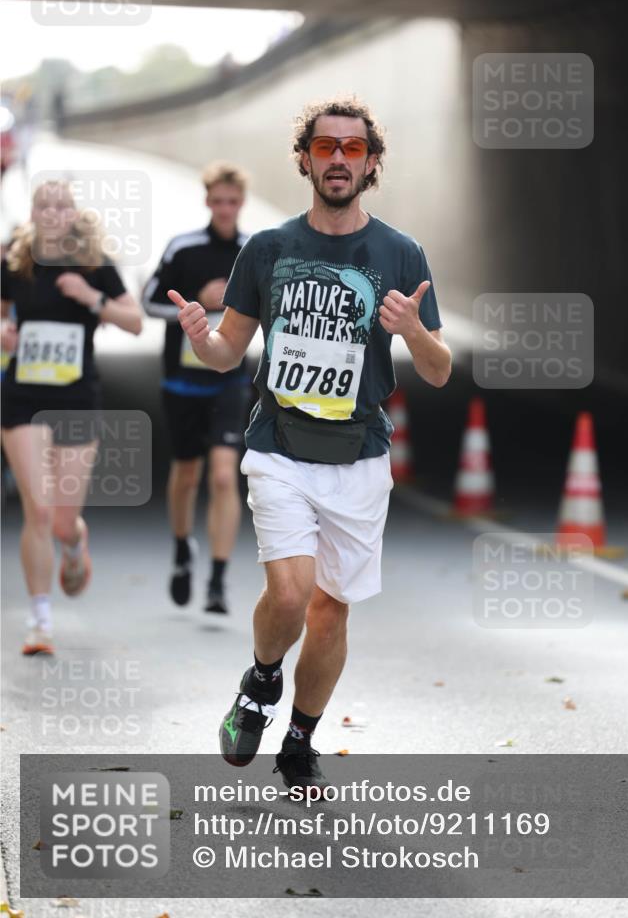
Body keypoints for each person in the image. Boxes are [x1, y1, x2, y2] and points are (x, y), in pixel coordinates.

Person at [168, 97, 452, 793]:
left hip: (358, 459)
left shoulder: (398, 253)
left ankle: (299, 739)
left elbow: (440, 369)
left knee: (330, 609)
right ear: (304, 158)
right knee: (291, 595)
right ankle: (261, 681)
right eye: (325, 147)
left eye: (351, 149)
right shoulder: (267, 249)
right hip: (278, 447)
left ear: (370, 162)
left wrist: (412, 331)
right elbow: (229, 353)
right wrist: (202, 338)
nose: (336, 159)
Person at [1, 180, 142, 655]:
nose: (53, 212)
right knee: (37, 510)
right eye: (45, 204)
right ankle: (40, 621)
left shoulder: (93, 266)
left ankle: (74, 541)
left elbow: (135, 320)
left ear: (74, 213)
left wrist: (91, 298)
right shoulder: (14, 262)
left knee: (61, 521)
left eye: (62, 204)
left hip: (76, 400)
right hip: (21, 400)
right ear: (34, 213)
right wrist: (4, 331)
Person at [142, 162, 251, 613]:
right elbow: (148, 302)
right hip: (183, 381)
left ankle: (218, 581)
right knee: (187, 474)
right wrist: (195, 308)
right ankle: (184, 549)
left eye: (232, 201)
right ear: (207, 201)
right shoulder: (183, 248)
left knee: (225, 475)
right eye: (218, 201)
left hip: (230, 379)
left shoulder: (253, 251)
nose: (225, 209)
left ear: (241, 203)